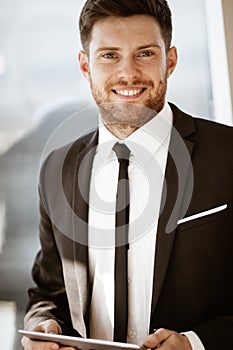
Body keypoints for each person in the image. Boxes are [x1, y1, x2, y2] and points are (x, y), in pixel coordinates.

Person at [21, 0, 233, 349]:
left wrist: (195, 344)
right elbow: (47, 292)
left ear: (171, 60)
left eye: (145, 53)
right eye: (109, 55)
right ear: (85, 66)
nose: (128, 73)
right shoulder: (57, 168)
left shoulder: (229, 155)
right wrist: (42, 326)